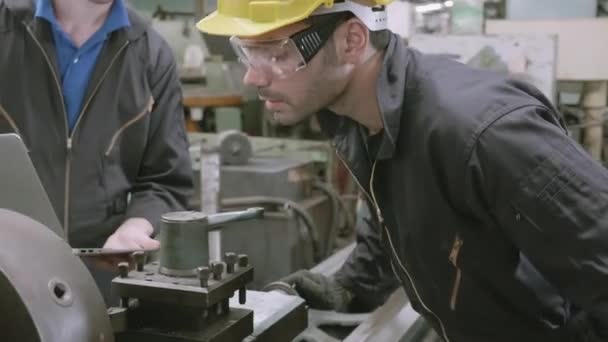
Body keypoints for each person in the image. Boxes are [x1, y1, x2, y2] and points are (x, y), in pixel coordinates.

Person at [196, 1, 608, 341]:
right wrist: (351, 284)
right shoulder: (360, 117)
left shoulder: (480, 132)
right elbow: (401, 212)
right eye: (246, 51)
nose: (253, 76)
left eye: (277, 52)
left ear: (351, 41)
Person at [0, 0, 193, 298]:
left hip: (96, 282)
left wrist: (136, 227)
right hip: (6, 271)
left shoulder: (150, 54)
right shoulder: (6, 29)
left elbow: (166, 181)